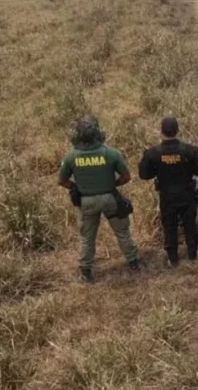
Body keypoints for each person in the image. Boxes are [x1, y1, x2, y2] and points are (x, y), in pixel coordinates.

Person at [58, 116, 141, 283]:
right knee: (122, 232)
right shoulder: (111, 153)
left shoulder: (71, 156)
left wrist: (75, 187)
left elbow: (62, 181)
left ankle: (86, 272)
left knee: (88, 238)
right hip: (110, 198)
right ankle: (133, 263)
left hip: (86, 202)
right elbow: (126, 176)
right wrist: (113, 185)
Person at [138, 116, 198, 267]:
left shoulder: (153, 153)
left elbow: (144, 175)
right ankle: (192, 254)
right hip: (187, 194)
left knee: (169, 226)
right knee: (190, 224)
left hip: (167, 196)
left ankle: (173, 258)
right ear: (177, 130)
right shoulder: (190, 150)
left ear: (161, 131)